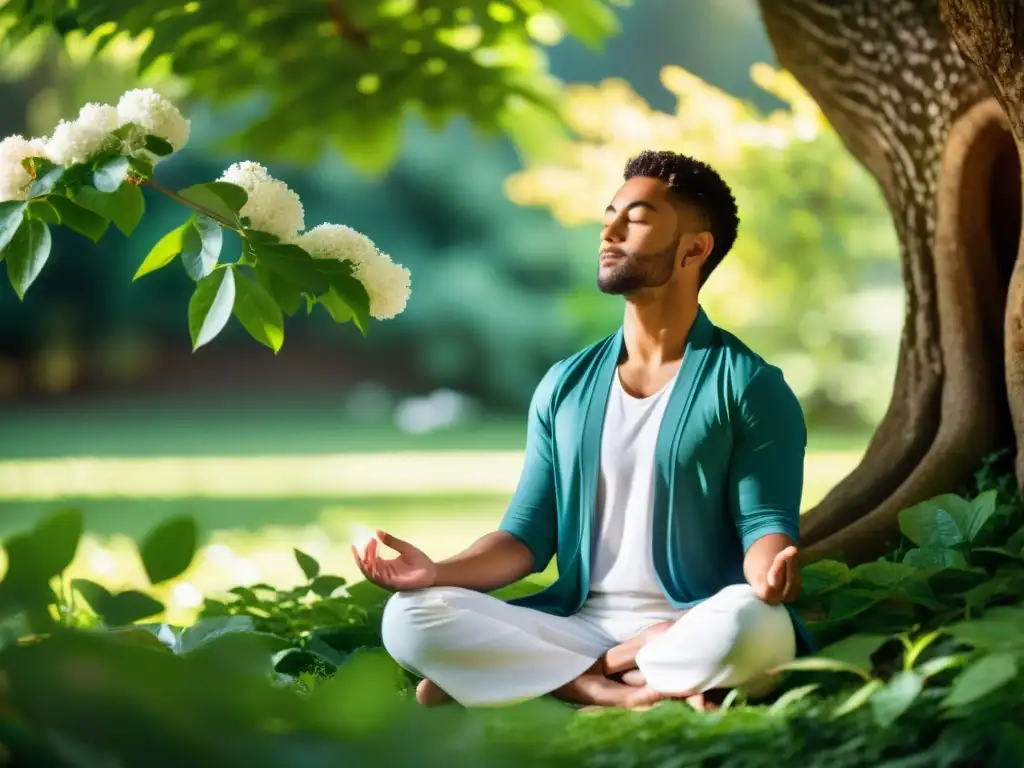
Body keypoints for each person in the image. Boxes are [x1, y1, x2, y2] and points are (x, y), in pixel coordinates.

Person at [352, 150, 815, 711]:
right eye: (610, 213)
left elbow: (764, 523)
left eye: (637, 218)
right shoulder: (565, 385)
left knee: (754, 623)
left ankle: (538, 675)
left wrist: (769, 574)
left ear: (695, 248)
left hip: (692, 618)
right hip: (577, 624)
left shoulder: (748, 386)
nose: (610, 229)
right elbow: (523, 539)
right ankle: (619, 680)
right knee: (410, 617)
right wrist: (434, 571)